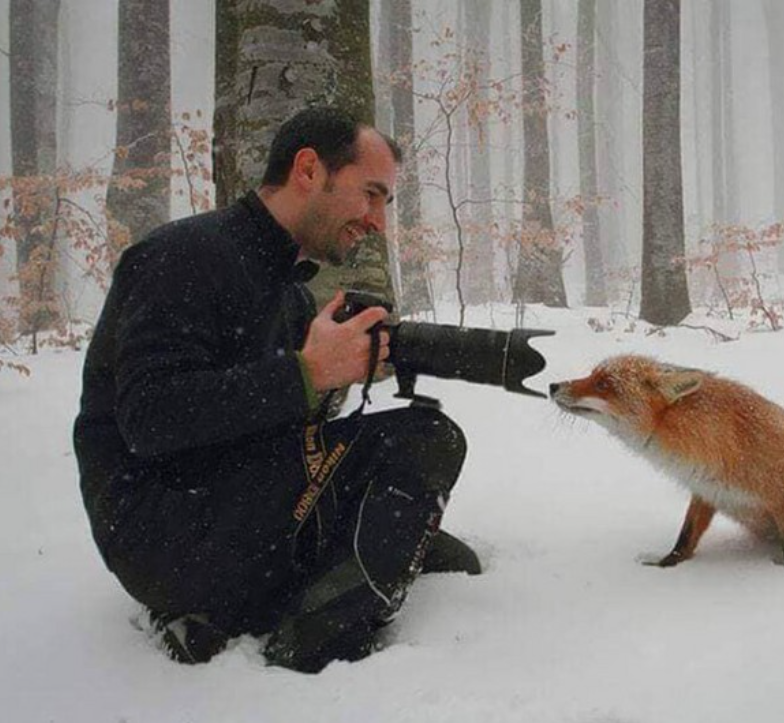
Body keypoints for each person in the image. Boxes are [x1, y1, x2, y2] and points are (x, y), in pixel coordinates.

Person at [74, 107, 480, 673]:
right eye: (371, 194)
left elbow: (266, 426)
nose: (377, 221)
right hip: (163, 533)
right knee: (426, 439)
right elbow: (149, 420)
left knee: (402, 474)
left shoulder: (288, 294)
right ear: (309, 169)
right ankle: (315, 640)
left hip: (228, 506)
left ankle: (325, 565)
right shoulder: (182, 256)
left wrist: (334, 377)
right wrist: (307, 374)